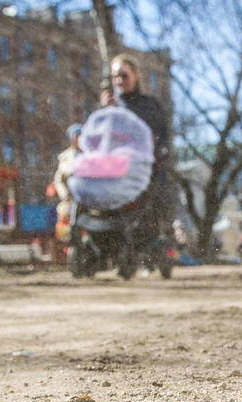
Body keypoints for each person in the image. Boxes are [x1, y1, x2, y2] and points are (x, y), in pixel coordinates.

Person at [100, 54, 172, 255]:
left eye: (124, 75)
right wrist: (107, 111)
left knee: (150, 202)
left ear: (136, 76)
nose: (119, 81)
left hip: (144, 167)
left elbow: (162, 134)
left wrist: (161, 152)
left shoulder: (150, 105)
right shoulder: (110, 106)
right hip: (114, 168)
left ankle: (150, 247)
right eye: (115, 76)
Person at [53, 124, 82, 251]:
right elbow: (59, 179)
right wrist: (65, 195)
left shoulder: (90, 155)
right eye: (76, 136)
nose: (78, 139)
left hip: (89, 196)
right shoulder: (65, 157)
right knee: (66, 218)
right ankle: (71, 245)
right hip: (71, 198)